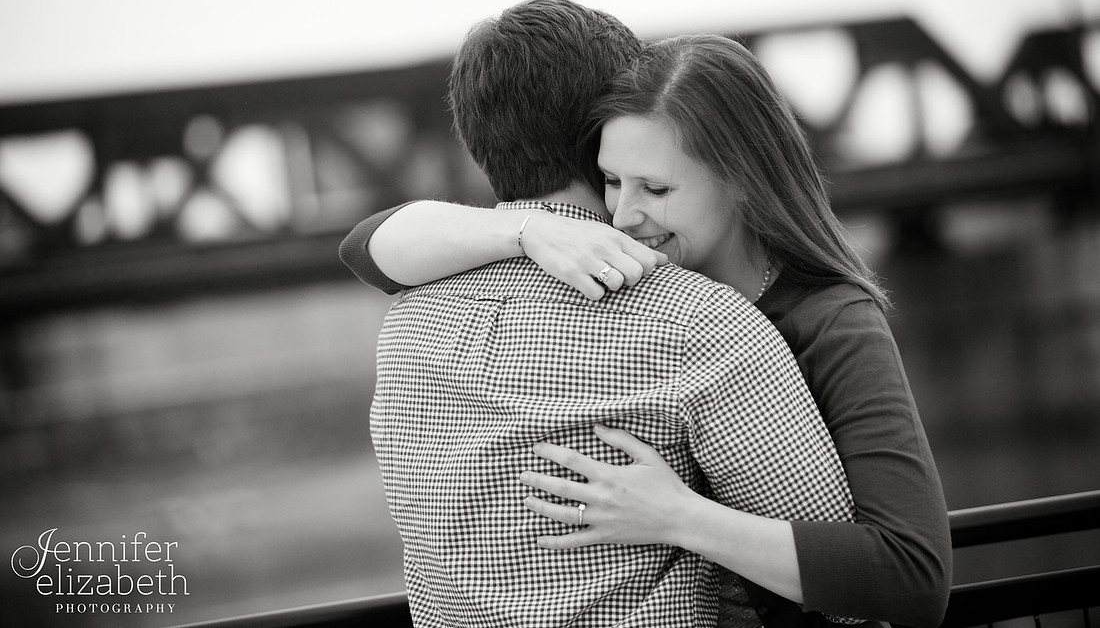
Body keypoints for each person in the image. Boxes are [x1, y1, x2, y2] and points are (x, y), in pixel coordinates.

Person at [342, 33, 952, 627]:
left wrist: (679, 517)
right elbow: (365, 245)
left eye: (656, 189)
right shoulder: (652, 303)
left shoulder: (825, 320)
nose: (623, 215)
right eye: (611, 181)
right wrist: (529, 230)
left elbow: (911, 578)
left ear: (742, 177)